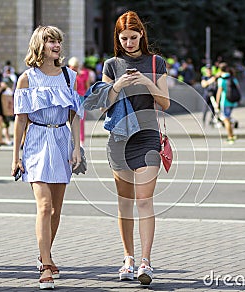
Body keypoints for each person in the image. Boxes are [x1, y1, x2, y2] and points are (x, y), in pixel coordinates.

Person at [87, 10, 169, 286]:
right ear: (117, 38)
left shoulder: (156, 62)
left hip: (148, 138)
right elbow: (102, 104)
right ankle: (128, 258)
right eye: (124, 38)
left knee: (145, 201)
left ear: (141, 36)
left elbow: (166, 103)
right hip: (120, 139)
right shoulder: (111, 65)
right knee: (124, 204)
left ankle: (146, 260)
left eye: (134, 37)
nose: (129, 43)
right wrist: (117, 86)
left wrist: (145, 81)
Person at [11, 25, 83, 290]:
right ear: (39, 45)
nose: (56, 45)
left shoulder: (69, 76)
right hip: (36, 142)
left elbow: (74, 115)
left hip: (62, 140)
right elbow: (20, 121)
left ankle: (45, 255)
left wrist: (76, 147)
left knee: (56, 210)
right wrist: (15, 156)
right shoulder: (27, 79)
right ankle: (46, 264)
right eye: (50, 40)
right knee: (43, 207)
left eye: (58, 41)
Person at [68, 57, 90, 146]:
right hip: (70, 98)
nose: (74, 69)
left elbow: (87, 87)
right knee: (71, 120)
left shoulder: (84, 74)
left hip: (81, 98)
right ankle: (72, 139)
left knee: (81, 120)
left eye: (75, 67)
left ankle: (81, 140)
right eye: (72, 67)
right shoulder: (67, 74)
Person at [216, 63, 239, 144]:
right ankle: (232, 134)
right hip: (233, 101)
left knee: (226, 120)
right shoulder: (232, 78)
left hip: (225, 102)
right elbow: (238, 88)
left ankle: (230, 136)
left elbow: (219, 92)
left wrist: (217, 103)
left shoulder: (221, 79)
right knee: (228, 118)